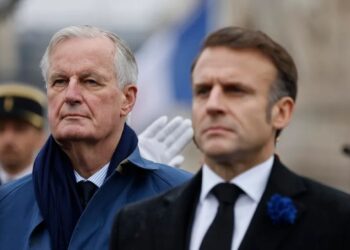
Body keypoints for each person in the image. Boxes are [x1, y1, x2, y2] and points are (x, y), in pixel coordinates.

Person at [110, 27, 350, 250]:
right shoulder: (136, 222)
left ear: (281, 112)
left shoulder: (337, 218)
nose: (213, 105)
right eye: (203, 91)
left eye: (235, 90)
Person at [0, 25, 191, 250]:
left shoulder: (183, 198)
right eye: (59, 81)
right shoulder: (7, 205)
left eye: (90, 81)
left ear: (127, 99)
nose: (71, 95)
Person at [0, 83, 46, 185]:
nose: (8, 139)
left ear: (40, 137)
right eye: (1, 129)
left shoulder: (52, 190)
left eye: (19, 129)